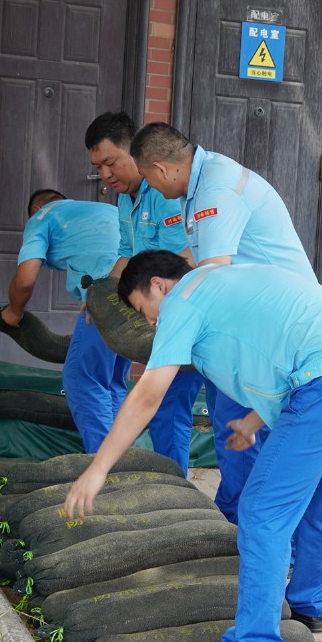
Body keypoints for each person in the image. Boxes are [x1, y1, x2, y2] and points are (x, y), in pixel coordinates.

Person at [63, 250, 322, 642]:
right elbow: (276, 349)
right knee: (314, 499)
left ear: (158, 285)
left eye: (143, 310)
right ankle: (310, 606)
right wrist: (252, 422)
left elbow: (148, 394)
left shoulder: (183, 300)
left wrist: (98, 468)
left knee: (261, 512)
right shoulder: (224, 281)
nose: (152, 322)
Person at [128, 122, 315, 522]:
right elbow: (194, 257)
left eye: (147, 178)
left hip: (274, 327)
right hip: (259, 318)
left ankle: (244, 523)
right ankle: (241, 517)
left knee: (237, 421)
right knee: (231, 417)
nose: (151, 188)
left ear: (160, 168)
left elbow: (213, 272)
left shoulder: (215, 188)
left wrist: (172, 320)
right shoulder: (202, 181)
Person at [84, 111, 202, 474]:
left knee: (168, 407)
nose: (106, 174)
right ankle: (170, 485)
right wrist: (101, 296)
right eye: (98, 167)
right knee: (164, 407)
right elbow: (125, 254)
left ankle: (175, 490)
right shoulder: (125, 198)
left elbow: (178, 266)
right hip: (162, 314)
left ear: (134, 153)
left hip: (185, 314)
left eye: (111, 162)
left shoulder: (164, 193)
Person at [0, 189, 126, 453]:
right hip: (141, 294)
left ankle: (104, 464)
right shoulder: (105, 210)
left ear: (36, 209)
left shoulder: (42, 216)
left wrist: (14, 312)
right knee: (112, 380)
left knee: (82, 378)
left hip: (107, 296)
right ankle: (122, 459)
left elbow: (25, 279)